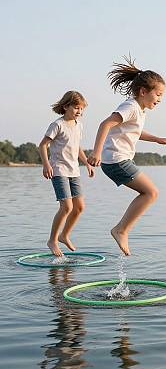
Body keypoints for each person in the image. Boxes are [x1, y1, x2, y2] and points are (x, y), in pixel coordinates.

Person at [87, 56, 166, 256]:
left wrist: (157, 139)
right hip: (116, 159)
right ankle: (121, 230)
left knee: (150, 193)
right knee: (151, 193)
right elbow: (105, 124)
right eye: (158, 95)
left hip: (118, 160)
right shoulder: (131, 107)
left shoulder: (139, 110)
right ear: (143, 92)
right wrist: (96, 152)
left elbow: (134, 131)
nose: (160, 99)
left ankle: (122, 229)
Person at [39, 91, 94, 257]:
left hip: (74, 171)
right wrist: (46, 164)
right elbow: (42, 145)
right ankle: (52, 240)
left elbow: (77, 147)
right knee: (67, 207)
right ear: (65, 106)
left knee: (79, 207)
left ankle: (64, 235)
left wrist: (86, 164)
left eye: (81, 108)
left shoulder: (78, 125)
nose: (79, 111)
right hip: (59, 170)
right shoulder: (57, 125)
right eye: (76, 107)